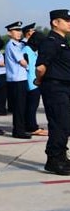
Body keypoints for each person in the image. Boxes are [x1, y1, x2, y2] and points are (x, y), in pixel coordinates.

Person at [34, 9, 70, 176]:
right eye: (66, 20)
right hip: (55, 88)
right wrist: (40, 80)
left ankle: (61, 157)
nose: (69, 23)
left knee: (65, 124)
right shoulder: (50, 42)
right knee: (59, 124)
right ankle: (54, 161)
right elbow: (40, 67)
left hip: (64, 88)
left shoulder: (62, 41)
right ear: (55, 23)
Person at [4, 21, 30, 139]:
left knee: (22, 106)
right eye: (16, 30)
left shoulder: (18, 44)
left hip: (21, 79)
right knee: (19, 107)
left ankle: (21, 128)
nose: (19, 33)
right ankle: (18, 131)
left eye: (20, 30)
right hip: (16, 80)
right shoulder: (12, 45)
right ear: (10, 33)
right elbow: (23, 62)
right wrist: (28, 65)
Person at [21, 26, 47, 136]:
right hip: (30, 83)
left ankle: (31, 125)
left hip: (34, 82)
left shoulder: (32, 50)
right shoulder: (26, 50)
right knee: (31, 107)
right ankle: (32, 127)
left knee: (32, 106)